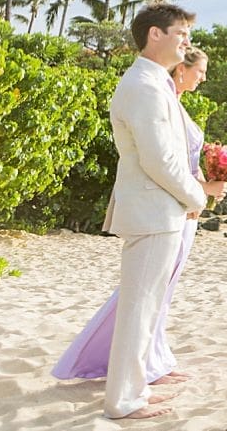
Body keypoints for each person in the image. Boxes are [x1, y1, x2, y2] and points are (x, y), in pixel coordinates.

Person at [52, 46, 212, 388]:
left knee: (161, 291)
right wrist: (201, 192)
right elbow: (161, 162)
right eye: (200, 71)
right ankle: (130, 368)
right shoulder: (150, 94)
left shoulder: (173, 103)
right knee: (147, 293)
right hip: (171, 204)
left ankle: (157, 360)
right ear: (182, 70)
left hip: (181, 205)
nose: (204, 78)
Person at [98, 4, 227, 420]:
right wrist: (198, 197)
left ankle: (134, 390)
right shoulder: (144, 86)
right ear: (155, 34)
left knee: (147, 307)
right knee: (139, 309)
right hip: (154, 212)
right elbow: (160, 161)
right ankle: (123, 400)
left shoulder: (154, 83)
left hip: (159, 211)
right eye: (181, 33)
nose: (186, 43)